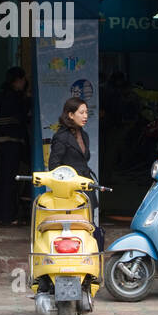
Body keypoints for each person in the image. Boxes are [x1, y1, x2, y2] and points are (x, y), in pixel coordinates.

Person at [47, 96, 101, 247]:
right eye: (81, 112)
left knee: (88, 224)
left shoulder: (84, 134)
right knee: (73, 226)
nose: (85, 116)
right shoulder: (61, 137)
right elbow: (54, 166)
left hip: (86, 185)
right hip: (70, 190)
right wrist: (67, 181)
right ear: (70, 115)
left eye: (86, 113)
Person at [0, 67, 29, 226]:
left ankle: (6, 215)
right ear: (18, 80)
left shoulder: (5, 95)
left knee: (6, 180)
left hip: (4, 142)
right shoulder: (14, 97)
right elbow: (18, 119)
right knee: (11, 181)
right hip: (12, 142)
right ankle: (9, 216)